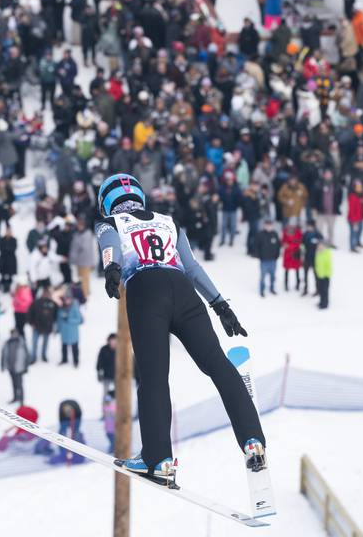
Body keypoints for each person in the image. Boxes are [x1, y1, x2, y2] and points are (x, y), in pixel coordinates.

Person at [95, 173, 264, 481]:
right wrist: (220, 306)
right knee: (218, 365)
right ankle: (252, 440)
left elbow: (110, 246)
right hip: (183, 290)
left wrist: (111, 269)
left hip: (146, 291)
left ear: (106, 202)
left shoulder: (110, 223)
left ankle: (158, 458)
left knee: (154, 377)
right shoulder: (168, 221)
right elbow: (192, 267)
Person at [27, 288, 58, 363]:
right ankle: (33, 357)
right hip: (37, 326)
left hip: (47, 327)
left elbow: (56, 315)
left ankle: (44, 355)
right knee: (34, 343)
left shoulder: (53, 303)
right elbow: (29, 313)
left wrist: (53, 325)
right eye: (45, 293)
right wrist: (31, 323)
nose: (46, 295)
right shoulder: (36, 302)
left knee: (45, 342)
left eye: (48, 293)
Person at [0, 329, 29, 404]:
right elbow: (3, 354)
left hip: (19, 368)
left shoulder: (22, 343)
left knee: (20, 384)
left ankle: (22, 400)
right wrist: (3, 365)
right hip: (10, 367)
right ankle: (15, 397)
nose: (14, 335)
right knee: (13, 383)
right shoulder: (7, 343)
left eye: (15, 333)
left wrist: (26, 367)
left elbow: (27, 356)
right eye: (13, 333)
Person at [57, 294, 83, 367]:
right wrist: (58, 329)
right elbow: (58, 319)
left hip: (73, 332)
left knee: (74, 347)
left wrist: (69, 319)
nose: (67, 301)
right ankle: (64, 359)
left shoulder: (75, 308)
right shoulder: (61, 308)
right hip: (64, 331)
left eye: (68, 299)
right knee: (64, 346)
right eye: (65, 299)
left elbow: (79, 320)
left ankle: (76, 361)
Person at [256, 220, 281, 297]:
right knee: (263, 276)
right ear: (264, 226)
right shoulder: (260, 234)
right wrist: (260, 256)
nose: (269, 227)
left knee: (273, 276)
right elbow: (257, 246)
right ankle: (262, 290)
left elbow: (278, 246)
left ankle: (272, 288)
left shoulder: (275, 234)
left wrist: (277, 255)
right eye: (267, 225)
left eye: (270, 225)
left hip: (273, 260)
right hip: (264, 260)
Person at [281, 222, 303, 292]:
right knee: (286, 271)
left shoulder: (298, 232)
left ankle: (297, 285)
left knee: (297, 270)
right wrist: (291, 244)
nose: (291, 226)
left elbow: (299, 242)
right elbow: (283, 242)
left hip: (295, 254)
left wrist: (290, 246)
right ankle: (286, 285)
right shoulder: (285, 232)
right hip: (287, 255)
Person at [348, 180, 363, 252]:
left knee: (360, 230)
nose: (359, 189)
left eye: (360, 187)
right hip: (353, 219)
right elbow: (351, 209)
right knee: (353, 232)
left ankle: (357, 242)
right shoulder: (352, 196)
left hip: (361, 217)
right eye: (357, 187)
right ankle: (352, 246)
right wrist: (354, 220)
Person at [96, 334, 117, 398]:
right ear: (109, 341)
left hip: (118, 377)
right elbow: (99, 362)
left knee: (119, 394)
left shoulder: (121, 350)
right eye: (112, 340)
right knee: (106, 394)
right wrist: (99, 372)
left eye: (115, 341)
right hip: (106, 376)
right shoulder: (104, 349)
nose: (113, 342)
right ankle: (105, 407)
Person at [314, 241, 332, 310]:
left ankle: (324, 304)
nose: (320, 247)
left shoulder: (327, 253)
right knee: (320, 290)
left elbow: (328, 265)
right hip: (319, 275)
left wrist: (327, 274)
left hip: (325, 276)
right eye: (319, 246)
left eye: (321, 246)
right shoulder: (318, 253)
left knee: (325, 290)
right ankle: (321, 302)